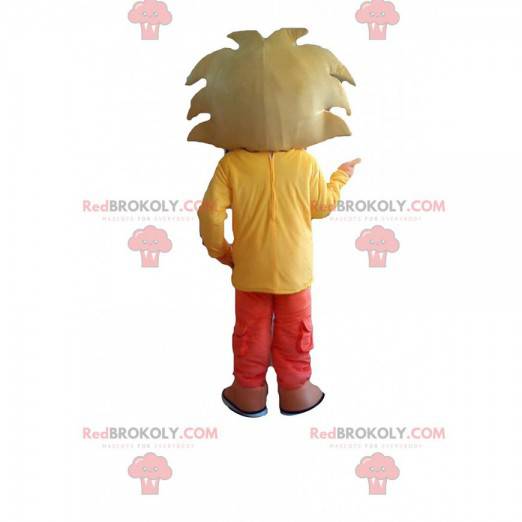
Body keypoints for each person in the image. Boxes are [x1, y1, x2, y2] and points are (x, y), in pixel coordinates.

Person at [187, 28, 361, 416]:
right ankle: (296, 390)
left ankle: (248, 391)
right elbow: (322, 206)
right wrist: (341, 176)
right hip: (295, 272)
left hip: (249, 270)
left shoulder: (231, 165)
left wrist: (224, 253)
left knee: (250, 334)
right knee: (295, 331)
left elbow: (210, 214)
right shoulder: (304, 163)